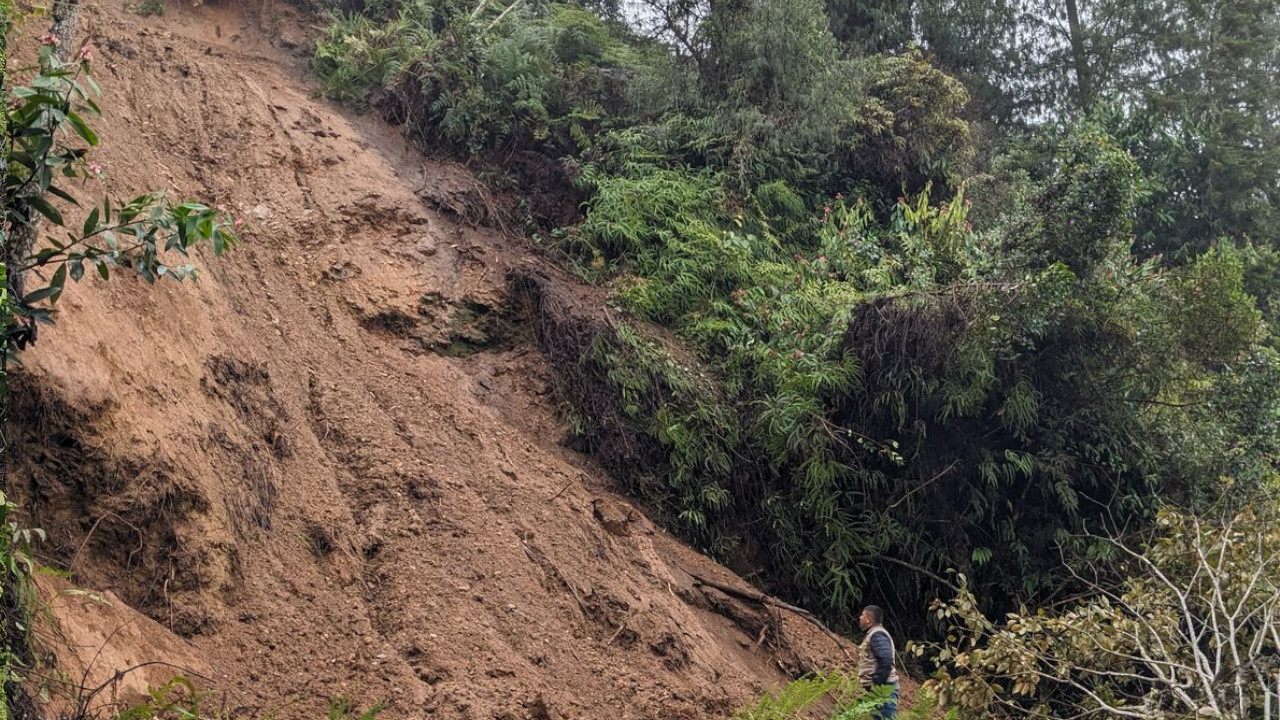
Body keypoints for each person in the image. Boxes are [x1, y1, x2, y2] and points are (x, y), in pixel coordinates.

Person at [858, 604, 899, 719]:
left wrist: (877, 684)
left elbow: (886, 661)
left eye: (862, 615)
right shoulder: (875, 634)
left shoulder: (877, 635)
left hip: (884, 690)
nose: (860, 618)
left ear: (868, 619)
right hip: (882, 689)